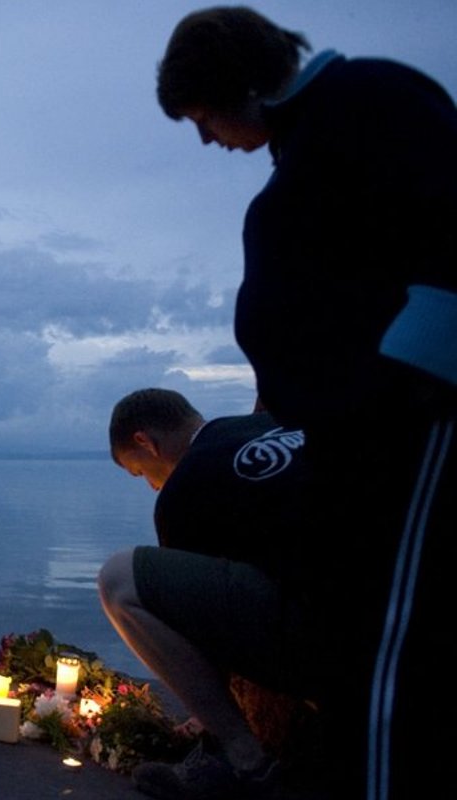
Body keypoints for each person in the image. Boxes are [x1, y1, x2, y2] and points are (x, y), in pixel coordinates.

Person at [150, 6, 457, 799]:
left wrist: (401, 394)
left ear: (231, 84)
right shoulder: (304, 155)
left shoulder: (372, 99)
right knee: (360, 656)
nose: (205, 138)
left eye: (201, 117)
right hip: (344, 445)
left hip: (405, 436)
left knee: (391, 663)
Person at [100, 388, 317, 799]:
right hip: (392, 612)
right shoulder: (277, 424)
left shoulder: (187, 487)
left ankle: (244, 760)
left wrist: (208, 715)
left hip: (335, 645)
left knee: (120, 580)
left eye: (140, 472)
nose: (150, 486)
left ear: (146, 442)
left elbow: (197, 630)